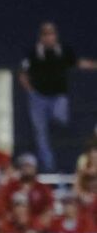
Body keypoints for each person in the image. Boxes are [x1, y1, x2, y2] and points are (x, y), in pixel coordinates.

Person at [18, 22, 95, 174]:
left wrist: (94, 65)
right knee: (41, 134)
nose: (49, 38)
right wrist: (31, 91)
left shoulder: (63, 51)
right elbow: (22, 74)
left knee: (62, 120)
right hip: (38, 98)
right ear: (41, 37)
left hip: (59, 97)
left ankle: (65, 156)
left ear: (55, 36)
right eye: (45, 35)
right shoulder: (34, 53)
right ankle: (49, 168)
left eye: (51, 34)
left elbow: (78, 63)